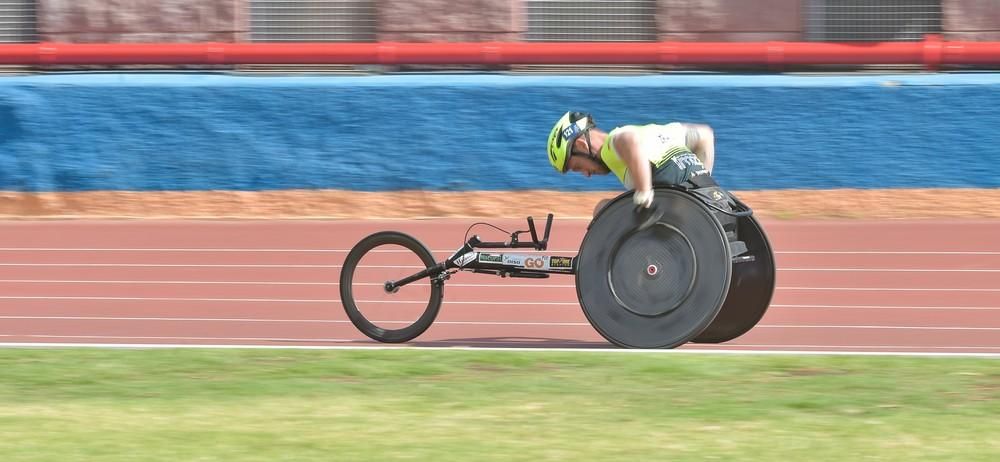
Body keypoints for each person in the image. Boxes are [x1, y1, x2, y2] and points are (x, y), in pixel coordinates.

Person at [545, 111, 719, 214]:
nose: (587, 174)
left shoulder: (612, 144)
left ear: (582, 146)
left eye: (578, 167)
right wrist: (703, 182)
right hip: (708, 198)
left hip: (678, 209)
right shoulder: (658, 131)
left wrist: (644, 191)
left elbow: (629, 140)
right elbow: (705, 134)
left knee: (602, 209)